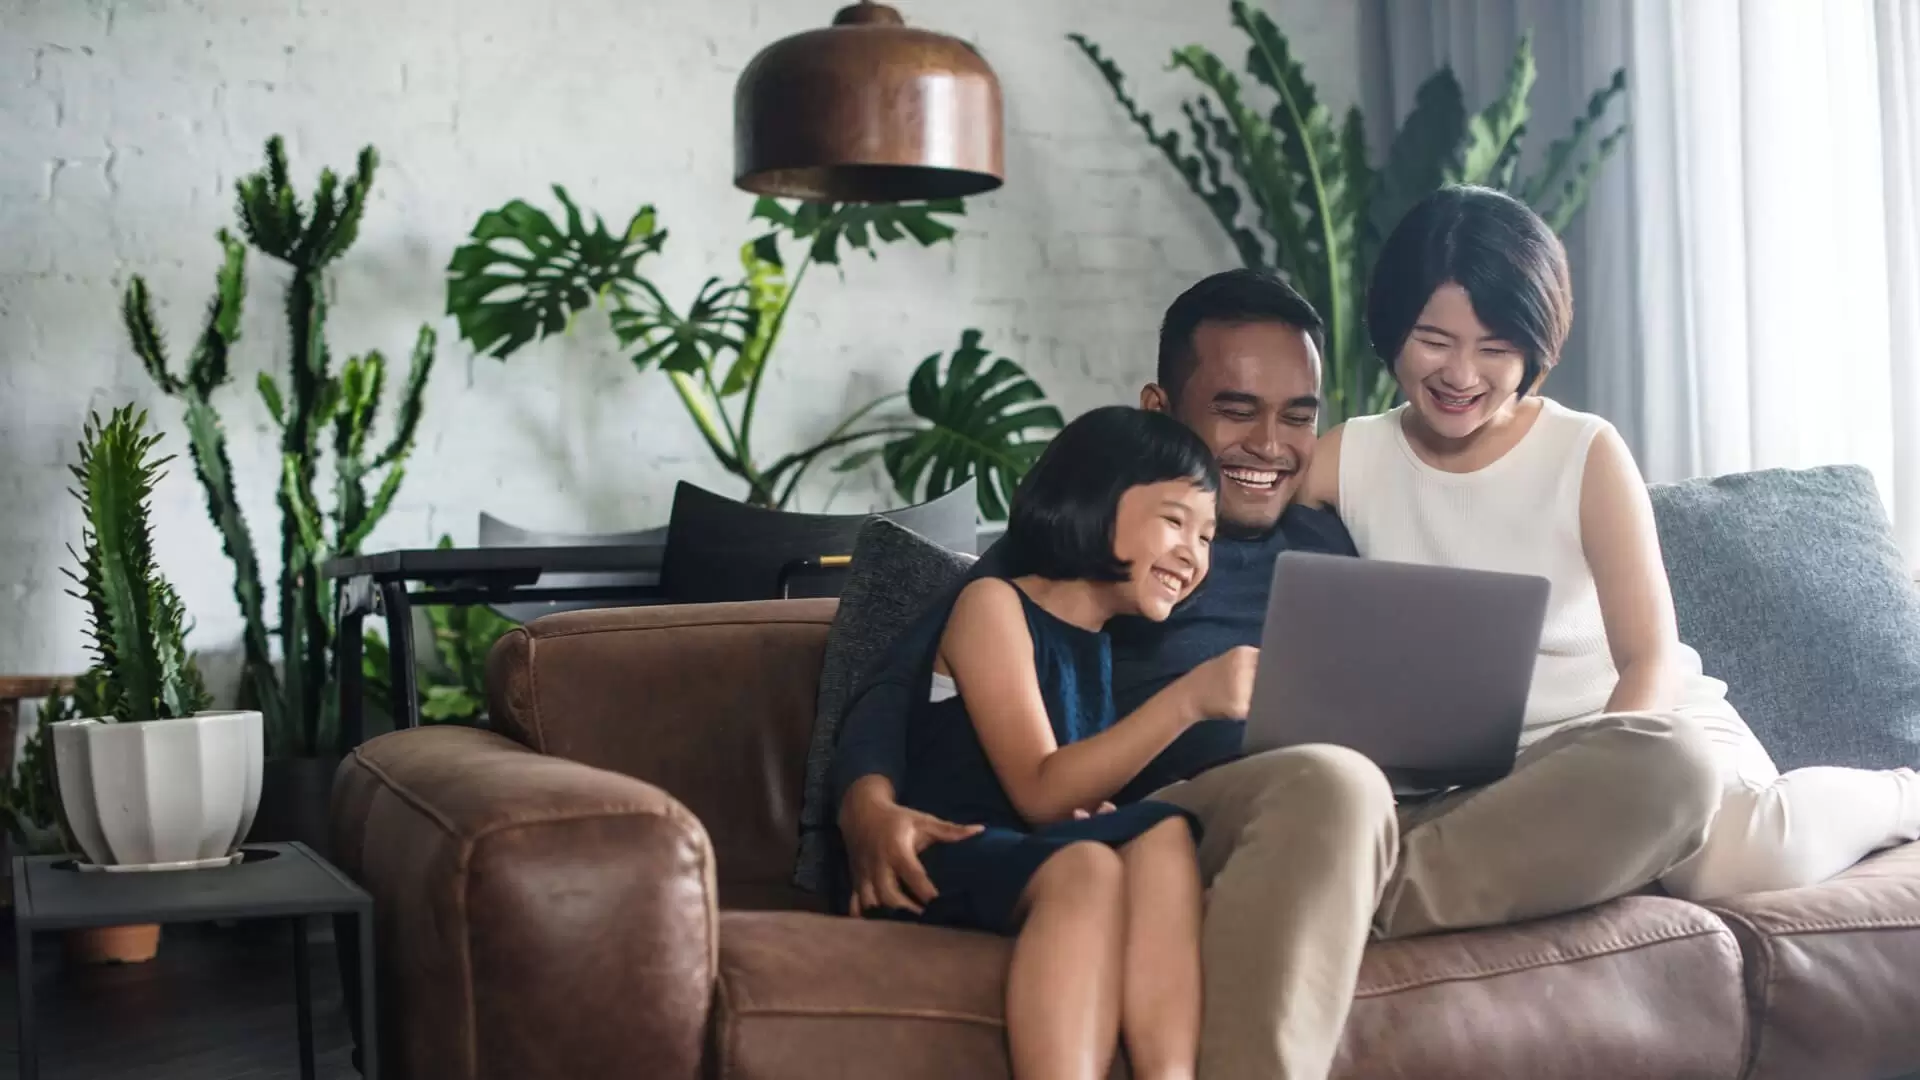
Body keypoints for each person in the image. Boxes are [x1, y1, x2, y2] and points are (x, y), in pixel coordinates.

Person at [831, 269, 1400, 1080]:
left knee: (1636, 758)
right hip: (1230, 810)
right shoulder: (1065, 573)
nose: (1270, 446)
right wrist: (866, 805)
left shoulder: (1326, 543)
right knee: (1320, 789)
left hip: (1333, 821)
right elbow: (900, 681)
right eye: (1237, 410)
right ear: (1160, 413)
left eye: (1297, 416)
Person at [1301, 184, 1920, 910]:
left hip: (1644, 732)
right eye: (1434, 341)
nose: (1461, 375)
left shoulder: (1582, 450)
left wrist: (1598, 782)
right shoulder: (1349, 459)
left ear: (1535, 347)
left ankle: (1903, 795)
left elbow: (1651, 657)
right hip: (1483, 779)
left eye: (1495, 348)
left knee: (1725, 865)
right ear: (1391, 325)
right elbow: (1229, 518)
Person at [877, 405, 1249, 1080]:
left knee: (1162, 831)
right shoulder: (993, 606)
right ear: (1095, 500)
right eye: (1174, 520)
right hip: (944, 855)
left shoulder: (1098, 647)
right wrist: (1189, 700)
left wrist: (1095, 816)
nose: (1195, 552)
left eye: (1207, 535)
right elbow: (1041, 790)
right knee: (1090, 867)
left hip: (1021, 853)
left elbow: (1070, 796)